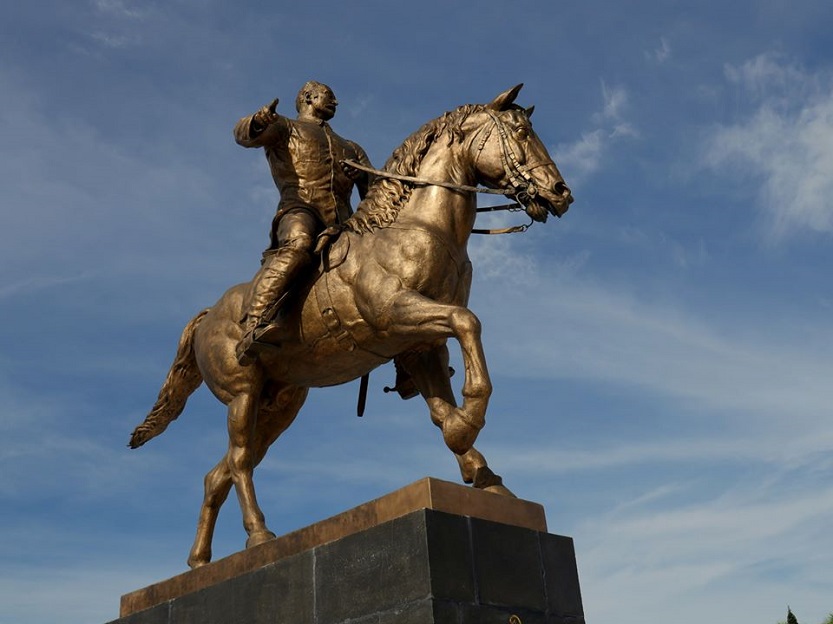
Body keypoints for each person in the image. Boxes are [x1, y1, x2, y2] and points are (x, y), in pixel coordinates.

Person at [233, 80, 373, 365]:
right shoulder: (284, 127)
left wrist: (361, 176)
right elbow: (244, 135)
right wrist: (257, 122)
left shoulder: (351, 148)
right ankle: (255, 322)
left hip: (344, 224)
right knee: (300, 243)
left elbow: (374, 192)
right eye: (328, 96)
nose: (335, 102)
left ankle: (408, 362)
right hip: (299, 210)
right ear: (309, 97)